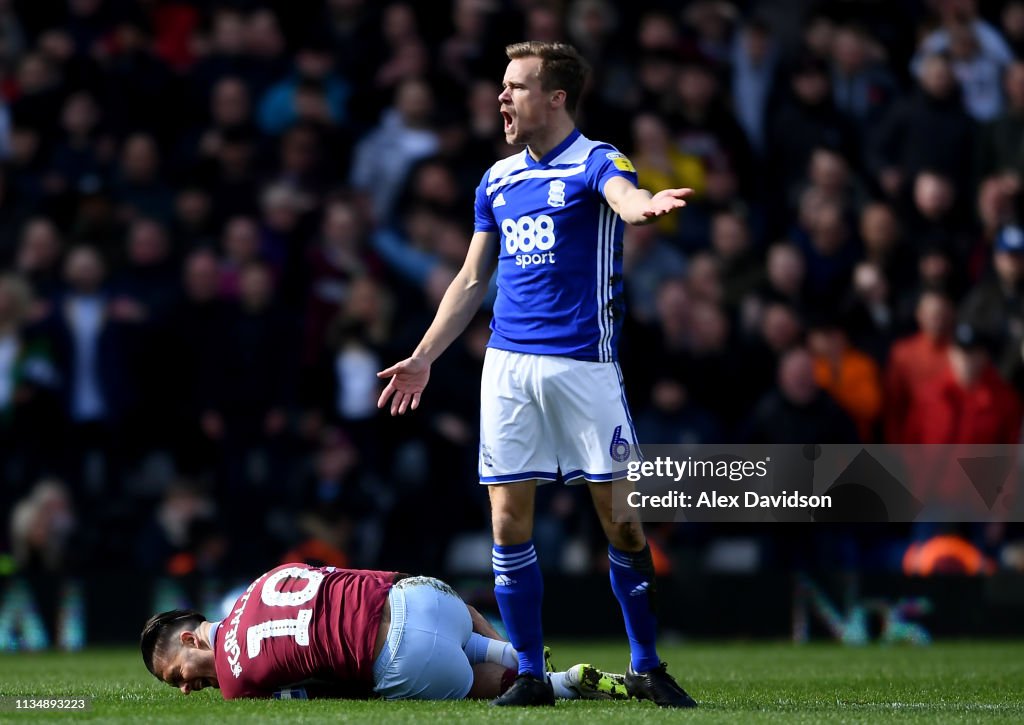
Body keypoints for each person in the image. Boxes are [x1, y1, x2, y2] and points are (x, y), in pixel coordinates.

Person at [376, 41, 696, 708]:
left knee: (624, 523)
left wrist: (644, 208)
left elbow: (625, 197)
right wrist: (424, 355)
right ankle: (528, 672)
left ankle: (645, 663)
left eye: (517, 87)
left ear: (555, 98)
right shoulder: (496, 178)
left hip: (585, 365)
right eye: (502, 86)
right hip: (509, 368)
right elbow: (470, 279)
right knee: (507, 519)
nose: (502, 98)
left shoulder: (599, 159)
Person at [141, 562, 626, 702]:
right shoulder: (264, 577)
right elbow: (352, 579)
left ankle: (558, 687)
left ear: (189, 640)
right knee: (471, 643)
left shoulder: (234, 683)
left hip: (404, 658)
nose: (186, 687)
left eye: (176, 676)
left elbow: (325, 692)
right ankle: (525, 658)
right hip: (420, 595)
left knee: (373, 683)